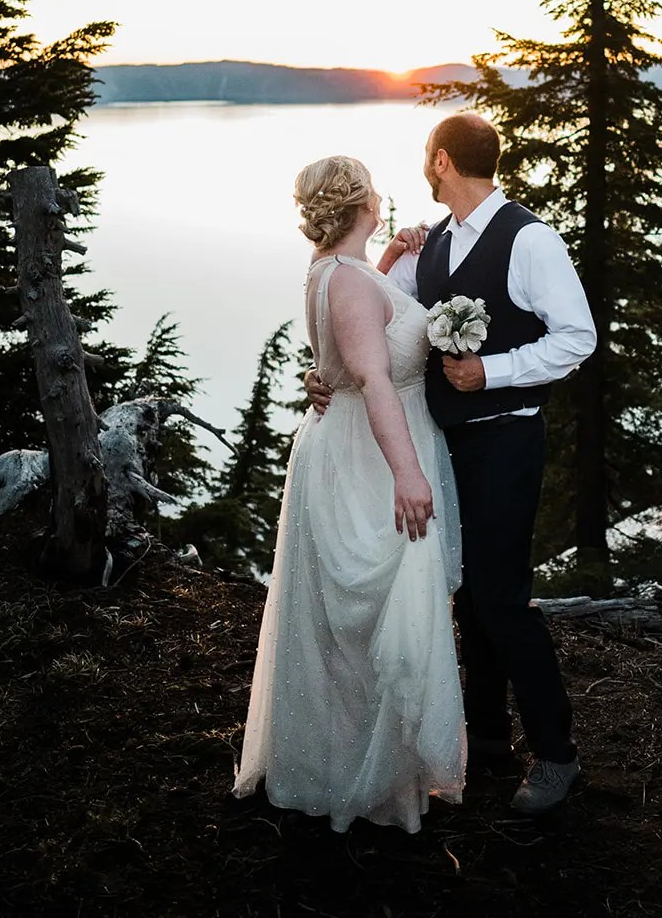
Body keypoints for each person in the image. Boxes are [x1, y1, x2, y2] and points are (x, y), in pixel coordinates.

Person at [306, 113, 596, 814]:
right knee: (462, 592)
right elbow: (373, 326)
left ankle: (557, 755)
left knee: (499, 597)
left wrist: (491, 372)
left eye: (423, 160)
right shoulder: (425, 247)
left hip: (504, 437)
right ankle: (489, 737)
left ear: (441, 161)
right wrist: (327, 377)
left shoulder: (529, 239)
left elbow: (576, 337)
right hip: (439, 443)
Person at [233, 155, 465, 834]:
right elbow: (374, 375)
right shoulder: (349, 283)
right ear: (364, 200)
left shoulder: (339, 269)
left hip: (351, 443)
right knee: (367, 615)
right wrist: (408, 475)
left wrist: (391, 252)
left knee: (359, 617)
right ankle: (359, 775)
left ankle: (364, 759)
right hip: (368, 456)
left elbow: (357, 325)